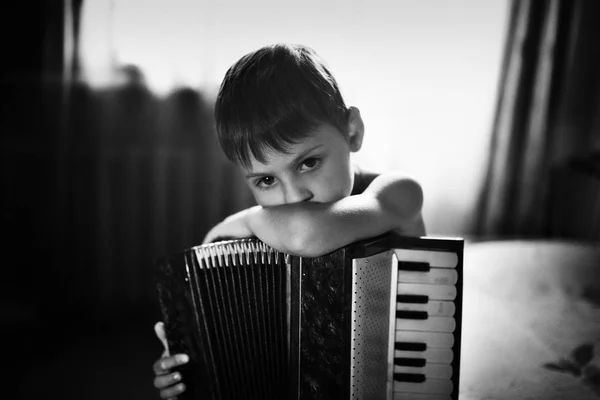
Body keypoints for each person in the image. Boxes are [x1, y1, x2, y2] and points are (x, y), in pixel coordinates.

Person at [153, 43, 426, 399]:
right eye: (266, 181)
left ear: (353, 132)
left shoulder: (397, 192)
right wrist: (190, 365)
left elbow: (306, 232)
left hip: (394, 383)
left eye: (309, 163)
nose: (294, 198)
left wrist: (250, 217)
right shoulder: (261, 237)